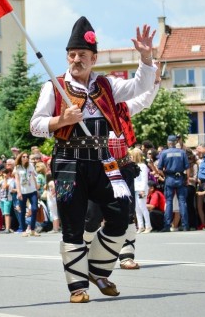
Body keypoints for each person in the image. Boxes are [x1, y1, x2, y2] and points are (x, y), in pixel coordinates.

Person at [30, 16, 156, 303]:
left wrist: (146, 57)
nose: (76, 60)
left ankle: (96, 270)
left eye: (82, 55)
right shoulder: (55, 87)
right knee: (74, 223)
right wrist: (59, 120)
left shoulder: (106, 85)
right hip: (67, 163)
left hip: (102, 160)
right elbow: (35, 125)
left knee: (120, 212)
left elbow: (140, 87)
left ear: (94, 58)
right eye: (72, 55)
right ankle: (78, 288)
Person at [84, 73, 160, 270]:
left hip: (123, 167)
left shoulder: (124, 108)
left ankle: (126, 255)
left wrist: (155, 82)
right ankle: (85, 252)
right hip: (98, 168)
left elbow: (144, 100)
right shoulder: (89, 110)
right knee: (92, 214)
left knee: (126, 212)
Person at [157, 135, 189, 232]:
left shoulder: (164, 153)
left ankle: (167, 225)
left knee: (169, 202)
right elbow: (187, 167)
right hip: (180, 178)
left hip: (169, 178)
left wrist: (165, 176)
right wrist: (186, 179)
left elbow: (159, 169)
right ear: (175, 143)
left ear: (168, 142)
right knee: (182, 202)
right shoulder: (182, 152)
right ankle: (185, 226)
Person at [15, 151, 40, 237]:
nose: (26, 158)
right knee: (22, 211)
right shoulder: (17, 168)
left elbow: (33, 176)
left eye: (27, 156)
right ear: (21, 158)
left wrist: (36, 189)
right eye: (24, 157)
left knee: (34, 209)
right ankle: (23, 230)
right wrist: (18, 192)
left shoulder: (31, 166)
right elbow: (17, 181)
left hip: (32, 190)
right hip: (23, 191)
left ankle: (32, 229)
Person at [132, 149, 152, 234]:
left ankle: (148, 225)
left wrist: (143, 190)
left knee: (142, 207)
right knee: (137, 208)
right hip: (135, 189)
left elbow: (144, 179)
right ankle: (141, 226)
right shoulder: (134, 165)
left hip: (141, 189)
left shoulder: (143, 166)